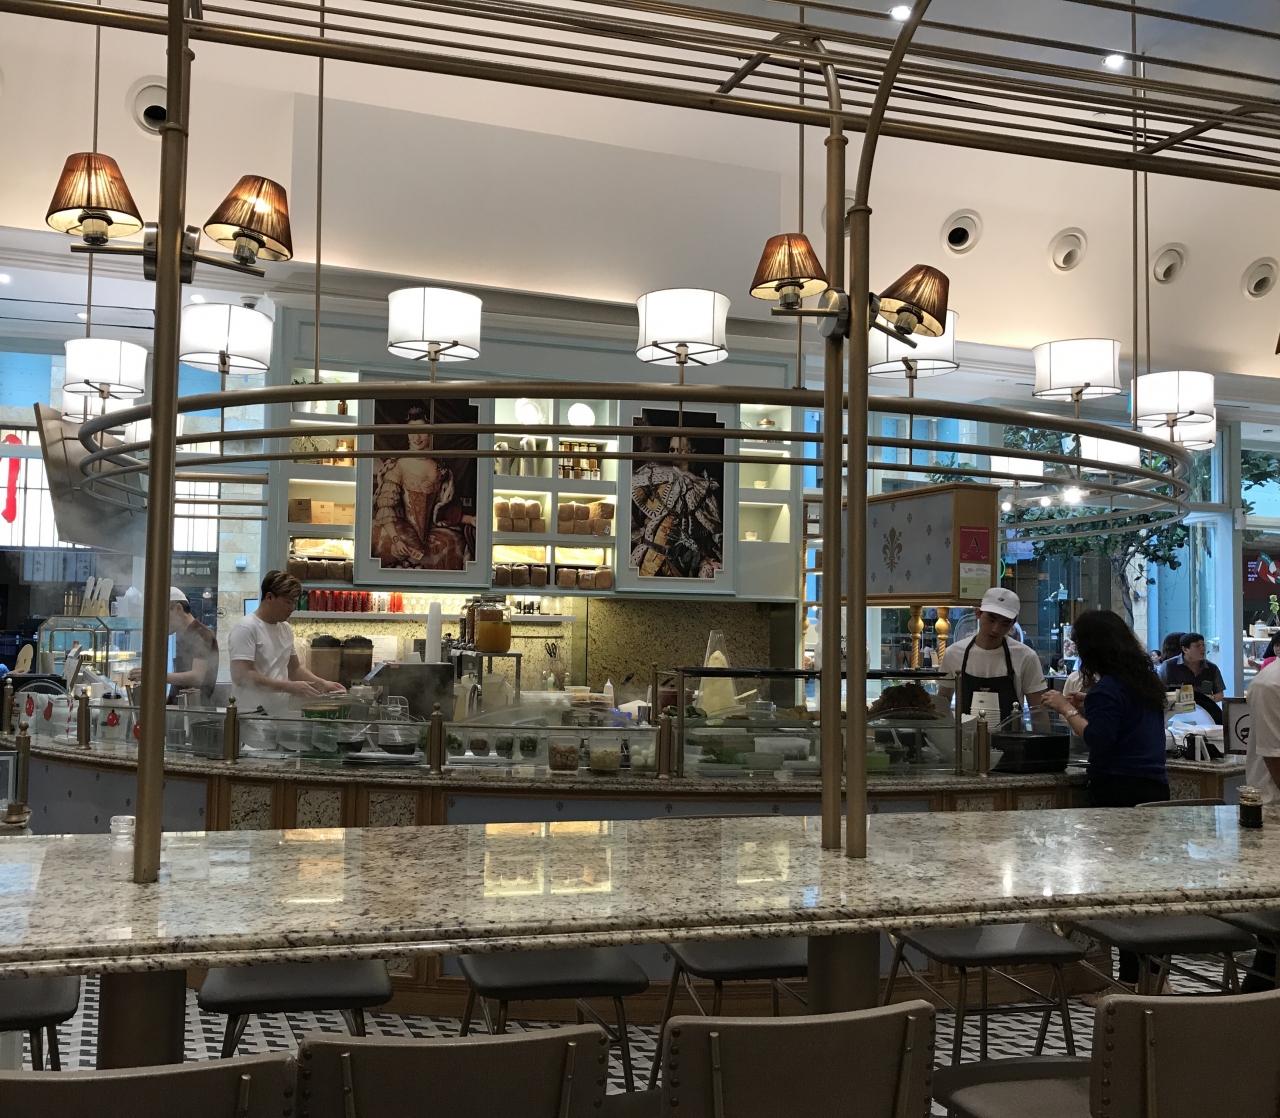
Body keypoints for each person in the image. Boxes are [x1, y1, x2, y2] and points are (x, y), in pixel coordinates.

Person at [1042, 610, 1168, 807]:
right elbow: (1127, 713)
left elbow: (1096, 737)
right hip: (1156, 784)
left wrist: (1065, 708)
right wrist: (1090, 701)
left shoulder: (1107, 688)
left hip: (1119, 787)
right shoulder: (1145, 682)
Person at [372, 407, 476, 570]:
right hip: (401, 529)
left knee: (451, 542)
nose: (417, 437)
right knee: (391, 545)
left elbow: (445, 510)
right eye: (412, 431)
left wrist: (469, 519)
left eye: (422, 431)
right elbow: (386, 507)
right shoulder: (399, 465)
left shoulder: (440, 468)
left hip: (432, 532)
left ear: (430, 434)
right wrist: (396, 540)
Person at [229, 571, 345, 711]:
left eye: (294, 603)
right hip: (251, 713)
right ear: (269, 597)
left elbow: (294, 669)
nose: (292, 608)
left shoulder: (285, 628)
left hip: (277, 711)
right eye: (288, 602)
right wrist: (288, 687)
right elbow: (241, 676)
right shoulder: (246, 627)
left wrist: (322, 684)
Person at [938, 588, 1047, 722]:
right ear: (978, 613)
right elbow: (943, 703)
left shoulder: (1026, 657)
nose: (996, 629)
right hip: (964, 735)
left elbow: (1038, 712)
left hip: (1012, 735)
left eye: (1005, 623)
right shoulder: (953, 654)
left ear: (1013, 624)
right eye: (991, 619)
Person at [129, 587, 218, 705]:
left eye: (163, 616)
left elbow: (197, 677)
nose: (160, 623)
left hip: (194, 711)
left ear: (178, 609)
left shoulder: (202, 634)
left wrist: (154, 675)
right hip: (181, 709)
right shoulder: (183, 636)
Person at [1159, 632, 1225, 702]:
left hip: (1204, 707)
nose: (1202, 649)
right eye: (1197, 646)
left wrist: (1211, 698)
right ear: (1185, 650)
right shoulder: (1169, 666)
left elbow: (1220, 694)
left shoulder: (1212, 668)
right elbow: (1159, 691)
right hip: (1177, 707)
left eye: (1203, 645)